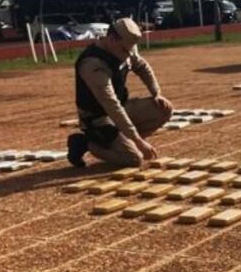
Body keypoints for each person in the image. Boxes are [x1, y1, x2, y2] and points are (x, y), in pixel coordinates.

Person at [66, 18, 173, 167]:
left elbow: (142, 66)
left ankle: (125, 144)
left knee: (163, 109)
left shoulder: (124, 48)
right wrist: (139, 142)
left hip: (121, 107)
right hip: (98, 118)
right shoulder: (93, 65)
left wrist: (156, 93)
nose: (129, 55)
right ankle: (85, 143)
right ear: (111, 39)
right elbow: (111, 105)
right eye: (125, 50)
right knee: (133, 160)